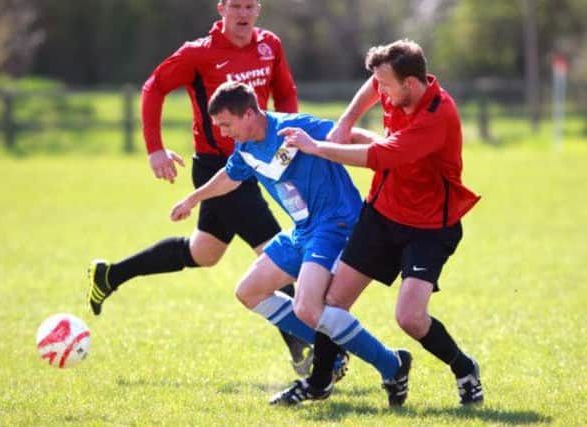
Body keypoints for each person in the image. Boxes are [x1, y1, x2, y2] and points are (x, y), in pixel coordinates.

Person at [86, 0, 312, 376]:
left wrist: (288, 136)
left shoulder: (270, 44)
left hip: (258, 163)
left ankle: (109, 276)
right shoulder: (198, 53)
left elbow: (285, 92)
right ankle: (307, 352)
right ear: (222, 7)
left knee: (204, 251)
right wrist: (155, 148)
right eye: (236, 5)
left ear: (259, 9)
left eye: (250, 6)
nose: (243, 13)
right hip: (219, 170)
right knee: (279, 258)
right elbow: (153, 88)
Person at [170, 81, 412, 406]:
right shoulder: (244, 148)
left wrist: (390, 150)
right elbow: (230, 176)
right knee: (249, 291)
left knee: (308, 307)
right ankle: (335, 349)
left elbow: (347, 136)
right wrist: (193, 198)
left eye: (226, 124)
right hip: (302, 230)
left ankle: (391, 365)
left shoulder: (292, 128)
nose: (224, 133)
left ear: (249, 113)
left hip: (335, 225)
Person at [278, 39, 484, 405]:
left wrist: (318, 147)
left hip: (429, 227)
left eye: (388, 85)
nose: (382, 92)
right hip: (382, 214)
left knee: (410, 318)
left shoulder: (438, 116)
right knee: (333, 301)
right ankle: (319, 381)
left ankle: (464, 367)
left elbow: (381, 156)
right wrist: (345, 124)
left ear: (410, 83)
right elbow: (374, 85)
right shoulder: (396, 86)